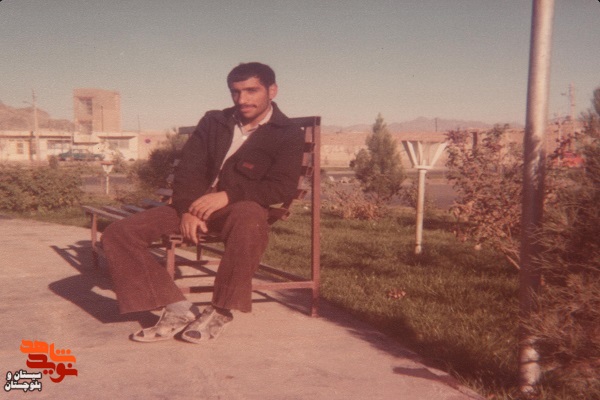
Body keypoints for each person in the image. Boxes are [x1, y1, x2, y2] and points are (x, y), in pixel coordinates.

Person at [101, 62, 304, 343]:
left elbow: (282, 186)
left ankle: (220, 310)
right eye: (235, 92)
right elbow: (188, 170)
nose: (242, 99)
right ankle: (177, 308)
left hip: (238, 209)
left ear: (272, 91)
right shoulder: (214, 121)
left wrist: (228, 195)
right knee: (118, 234)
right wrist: (188, 210)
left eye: (251, 91)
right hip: (191, 204)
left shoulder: (287, 132)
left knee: (249, 215)